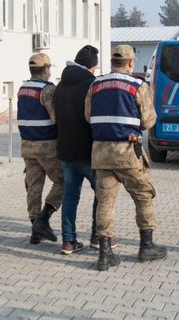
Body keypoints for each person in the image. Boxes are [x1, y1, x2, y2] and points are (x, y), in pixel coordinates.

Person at [85, 44, 167, 271]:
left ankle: (104, 254)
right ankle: (146, 246)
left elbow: (88, 115)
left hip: (101, 152)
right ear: (131, 63)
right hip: (128, 153)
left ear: (112, 62)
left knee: (105, 202)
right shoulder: (138, 86)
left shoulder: (95, 84)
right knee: (143, 196)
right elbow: (149, 121)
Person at [54, 45, 103, 255]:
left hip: (65, 149)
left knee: (70, 196)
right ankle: (97, 237)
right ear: (91, 67)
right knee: (101, 192)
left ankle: (68, 241)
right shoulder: (91, 85)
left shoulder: (60, 85)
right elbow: (93, 117)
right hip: (87, 151)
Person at [17, 53, 64, 244]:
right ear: (46, 69)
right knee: (63, 181)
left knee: (33, 187)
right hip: (47, 145)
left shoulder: (22, 89)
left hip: (27, 145)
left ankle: (35, 229)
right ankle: (43, 219)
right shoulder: (47, 90)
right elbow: (56, 117)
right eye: (49, 68)